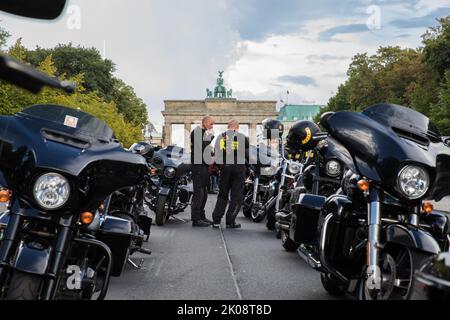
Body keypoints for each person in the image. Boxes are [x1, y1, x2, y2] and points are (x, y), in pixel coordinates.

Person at [211, 120, 250, 229]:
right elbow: (247, 154)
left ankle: (216, 221)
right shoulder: (242, 137)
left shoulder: (221, 137)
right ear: (237, 127)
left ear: (228, 127)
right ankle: (230, 221)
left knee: (222, 195)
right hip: (238, 168)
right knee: (236, 196)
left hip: (225, 168)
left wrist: (221, 167)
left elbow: (216, 153)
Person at [190, 116, 215, 227]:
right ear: (204, 123)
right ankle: (196, 219)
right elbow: (202, 147)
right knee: (198, 193)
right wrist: (211, 136)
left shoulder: (203, 132)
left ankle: (201, 216)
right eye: (211, 124)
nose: (212, 126)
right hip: (198, 165)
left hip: (203, 165)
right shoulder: (196, 132)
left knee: (204, 192)